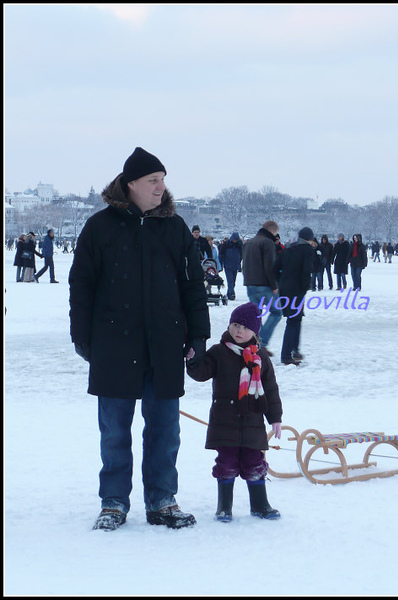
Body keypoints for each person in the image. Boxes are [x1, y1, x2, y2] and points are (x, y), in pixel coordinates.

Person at [69, 147, 211, 532]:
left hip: (165, 345)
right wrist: (82, 338)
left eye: (163, 180)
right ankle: (113, 502)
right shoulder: (100, 227)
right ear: (130, 184)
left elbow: (193, 286)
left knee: (165, 430)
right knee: (115, 431)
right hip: (114, 345)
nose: (161, 188)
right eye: (153, 181)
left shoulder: (175, 228)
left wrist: (198, 334)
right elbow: (81, 284)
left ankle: (162, 499)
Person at [186, 302, 283, 522]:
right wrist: (193, 361)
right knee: (226, 463)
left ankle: (260, 505)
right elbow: (202, 373)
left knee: (254, 462)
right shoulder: (219, 352)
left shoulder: (261, 358)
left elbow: (270, 390)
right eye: (236, 324)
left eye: (245, 327)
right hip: (225, 420)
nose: (239, 331)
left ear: (255, 331)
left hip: (252, 421)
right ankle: (224, 506)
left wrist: (275, 418)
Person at [273, 227, 315, 365]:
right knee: (293, 321)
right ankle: (286, 355)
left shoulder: (288, 248)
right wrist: (305, 287)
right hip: (297, 289)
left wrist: (281, 281)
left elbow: (275, 268)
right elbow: (307, 270)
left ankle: (295, 350)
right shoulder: (307, 250)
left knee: (296, 319)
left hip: (285, 288)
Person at [242, 220, 282, 353]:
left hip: (250, 283)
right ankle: (262, 343)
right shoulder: (267, 243)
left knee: (256, 315)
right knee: (276, 312)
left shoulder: (249, 242)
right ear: (271, 231)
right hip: (263, 285)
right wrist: (274, 285)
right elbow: (269, 266)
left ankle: (256, 343)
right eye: (276, 233)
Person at [219, 232, 243, 300]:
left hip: (235, 265)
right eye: (234, 239)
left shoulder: (239, 245)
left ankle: (229, 293)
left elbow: (241, 254)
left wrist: (239, 261)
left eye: (236, 239)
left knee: (233, 281)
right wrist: (222, 263)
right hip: (228, 265)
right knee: (230, 280)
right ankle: (232, 293)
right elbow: (221, 254)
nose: (235, 241)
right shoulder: (226, 244)